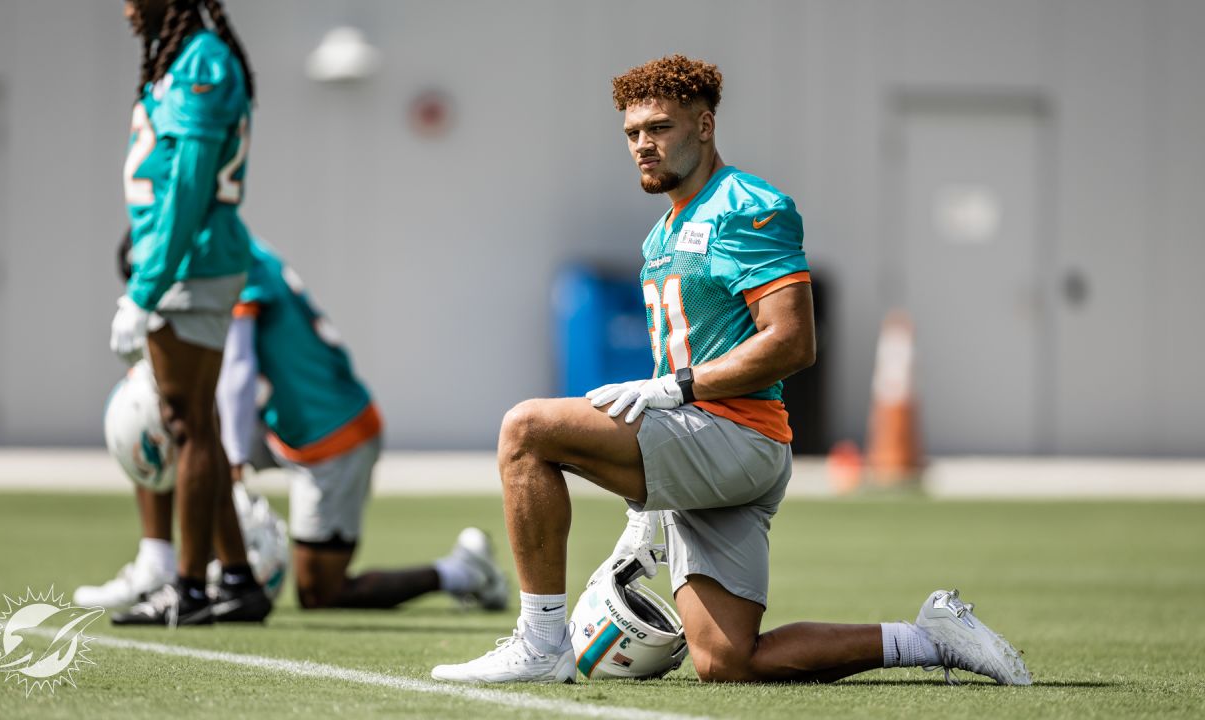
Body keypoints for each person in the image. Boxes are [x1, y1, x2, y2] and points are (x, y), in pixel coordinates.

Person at [431, 55, 1030, 685]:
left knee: (525, 430)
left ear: (705, 125)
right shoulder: (661, 232)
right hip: (707, 445)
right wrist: (649, 509)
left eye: (659, 128)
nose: (643, 145)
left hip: (735, 434)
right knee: (729, 660)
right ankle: (932, 638)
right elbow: (676, 366)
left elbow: (793, 342)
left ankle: (541, 642)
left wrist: (677, 388)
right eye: (633, 134)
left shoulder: (747, 206)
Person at [78, 234, 507, 614]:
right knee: (156, 413)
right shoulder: (221, 247)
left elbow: (240, 369)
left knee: (321, 592)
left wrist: (234, 459)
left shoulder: (223, 260)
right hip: (276, 418)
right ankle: (159, 563)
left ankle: (462, 570)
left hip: (330, 432)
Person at [108, 0, 266, 625]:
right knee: (194, 420)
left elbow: (192, 184)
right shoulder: (184, 57)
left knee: (186, 424)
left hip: (190, 265)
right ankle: (236, 576)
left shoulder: (202, 59)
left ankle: (189, 587)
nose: (124, 8)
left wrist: (145, 287)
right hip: (181, 261)